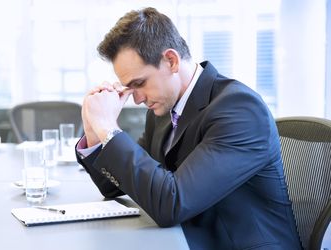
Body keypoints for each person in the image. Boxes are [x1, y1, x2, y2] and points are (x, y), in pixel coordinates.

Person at [76, 7, 302, 250]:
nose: (137, 99)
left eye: (139, 83)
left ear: (171, 61)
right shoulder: (163, 109)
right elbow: (115, 186)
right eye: (128, 88)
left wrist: (109, 128)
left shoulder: (240, 110)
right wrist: (94, 131)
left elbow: (171, 204)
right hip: (184, 239)